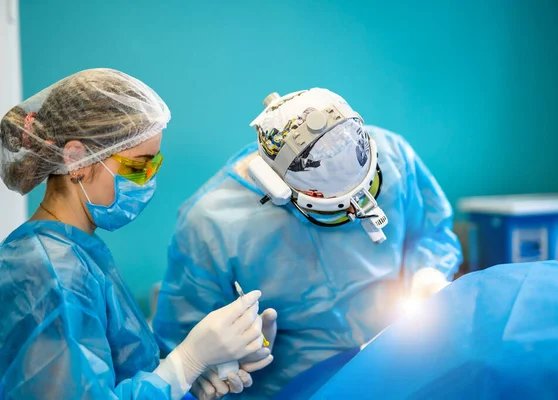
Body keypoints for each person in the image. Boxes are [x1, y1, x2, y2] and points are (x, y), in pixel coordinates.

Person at [153, 88, 462, 398]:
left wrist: (429, 276)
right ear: (275, 187)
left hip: (402, 362)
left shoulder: (394, 155)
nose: (356, 214)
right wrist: (210, 365)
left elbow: (431, 234)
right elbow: (182, 335)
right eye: (338, 210)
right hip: (298, 389)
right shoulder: (212, 222)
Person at [0, 69, 269, 400]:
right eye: (138, 166)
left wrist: (184, 375)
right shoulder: (48, 270)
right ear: (75, 159)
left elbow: (108, 372)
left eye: (154, 166)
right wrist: (184, 364)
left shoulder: (79, 251)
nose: (147, 181)